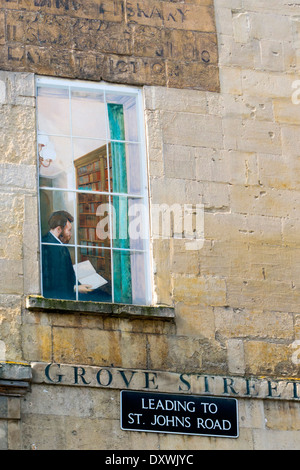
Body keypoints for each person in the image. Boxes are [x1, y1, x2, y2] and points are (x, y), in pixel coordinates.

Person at [41, 210, 93, 300]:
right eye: (69, 230)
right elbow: (53, 282)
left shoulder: (49, 241)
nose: (70, 234)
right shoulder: (52, 247)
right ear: (58, 229)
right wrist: (76, 288)